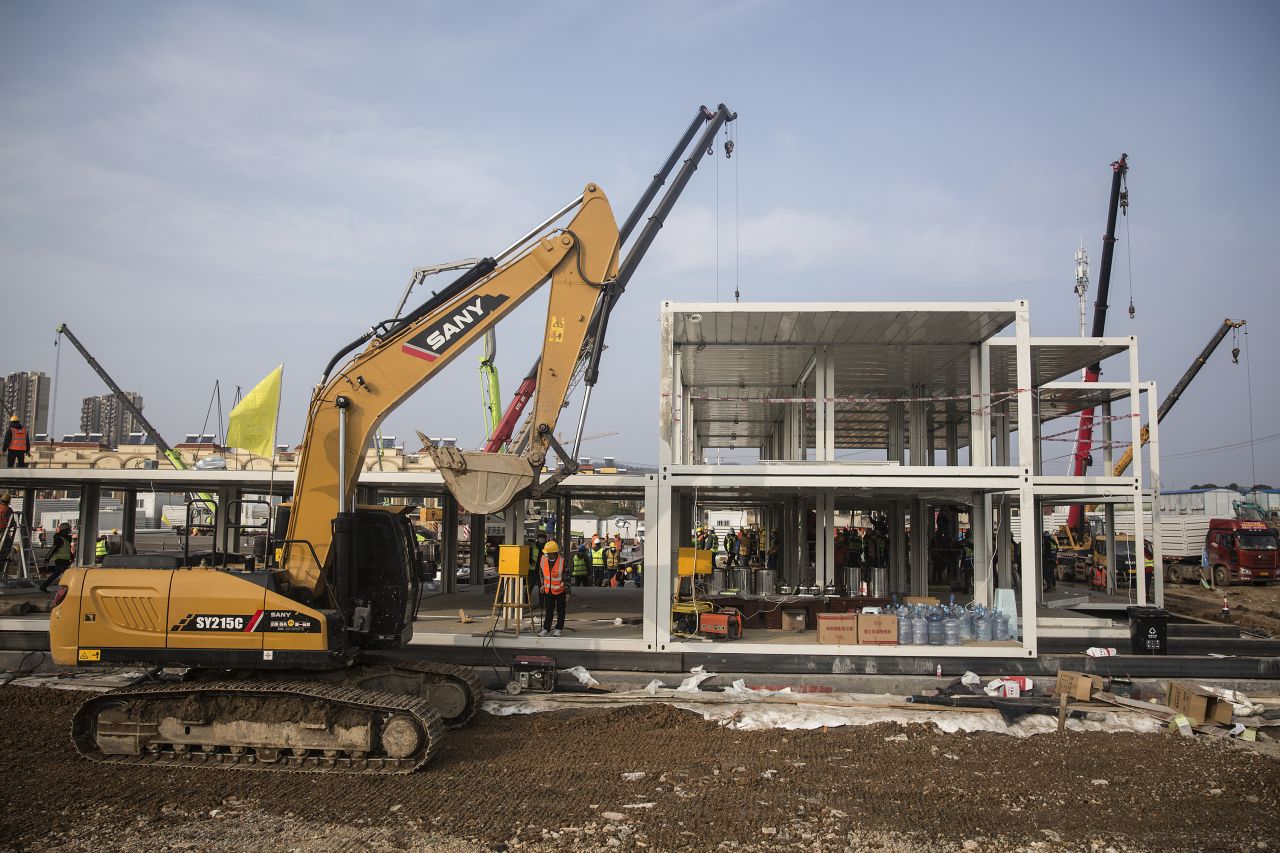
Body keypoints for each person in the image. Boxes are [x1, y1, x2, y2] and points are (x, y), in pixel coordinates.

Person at [537, 540, 568, 637]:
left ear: (553, 553)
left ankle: (559, 629)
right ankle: (546, 628)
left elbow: (567, 577)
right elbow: (542, 573)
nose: (546, 554)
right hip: (548, 590)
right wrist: (542, 584)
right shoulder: (543, 559)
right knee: (549, 610)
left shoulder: (562, 561)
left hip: (560, 590)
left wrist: (568, 592)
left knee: (560, 610)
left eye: (548, 553)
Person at [40, 522, 74, 593]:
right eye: (68, 529)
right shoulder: (60, 539)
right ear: (65, 530)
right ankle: (68, 590)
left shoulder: (66, 539)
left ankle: (43, 586)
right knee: (66, 574)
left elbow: (67, 550)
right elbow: (53, 549)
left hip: (65, 560)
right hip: (60, 560)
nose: (70, 530)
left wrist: (72, 556)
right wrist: (47, 558)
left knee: (57, 574)